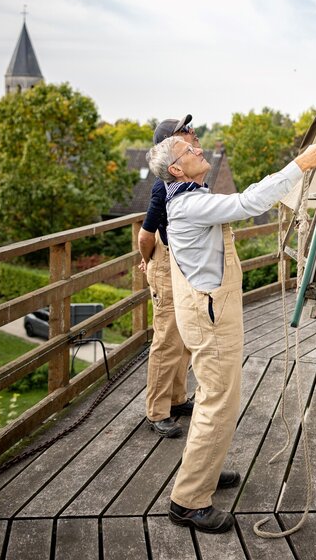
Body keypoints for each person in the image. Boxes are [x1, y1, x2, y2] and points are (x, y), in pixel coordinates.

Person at [147, 132, 316, 534]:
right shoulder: (191, 202)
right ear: (176, 169)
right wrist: (299, 166)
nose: (198, 149)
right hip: (211, 317)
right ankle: (188, 501)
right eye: (189, 151)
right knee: (218, 403)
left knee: (219, 400)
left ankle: (204, 474)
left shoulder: (189, 195)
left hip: (208, 311)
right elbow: (248, 202)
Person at [138, 115, 197, 438]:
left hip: (179, 260)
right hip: (165, 261)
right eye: (183, 132)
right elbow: (145, 234)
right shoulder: (163, 184)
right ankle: (157, 411)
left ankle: (176, 398)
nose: (190, 134)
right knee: (166, 339)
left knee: (182, 335)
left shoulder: (186, 175)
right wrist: (148, 261)